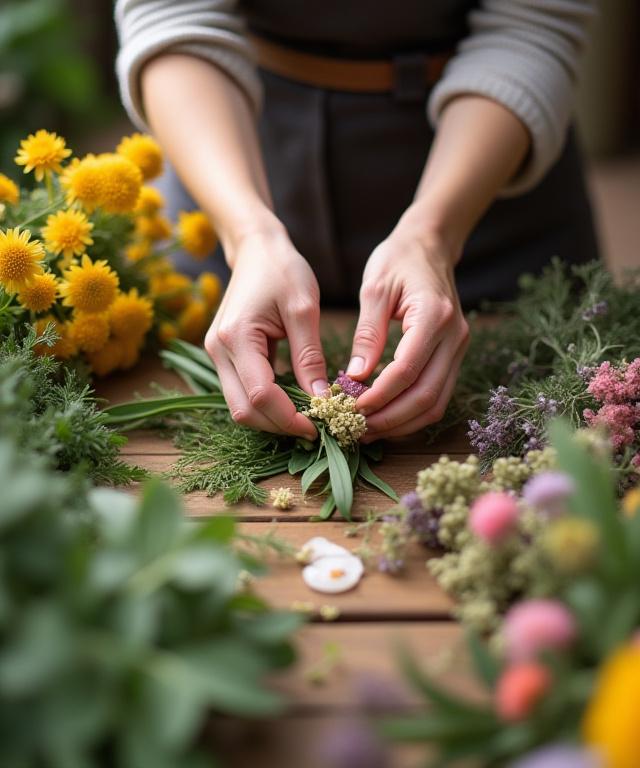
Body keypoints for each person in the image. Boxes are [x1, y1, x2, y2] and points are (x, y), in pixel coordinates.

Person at [115, 0, 599, 443]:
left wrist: (433, 235)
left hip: (488, 182)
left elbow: (533, 25)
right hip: (227, 158)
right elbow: (171, 15)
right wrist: (248, 235)